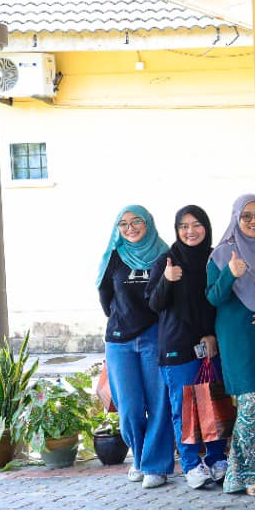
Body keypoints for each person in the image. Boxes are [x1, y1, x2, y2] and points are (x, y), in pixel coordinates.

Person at [206, 194, 255, 497]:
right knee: (254, 403)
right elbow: (213, 297)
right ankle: (247, 475)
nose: (254, 221)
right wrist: (230, 274)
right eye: (246, 216)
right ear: (235, 219)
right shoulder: (222, 254)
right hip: (239, 339)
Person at [148, 205, 226, 490]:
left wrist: (213, 335)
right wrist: (167, 281)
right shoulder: (166, 261)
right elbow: (154, 304)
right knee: (186, 408)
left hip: (210, 345)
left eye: (196, 224)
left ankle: (218, 459)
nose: (190, 231)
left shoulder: (214, 258)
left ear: (206, 226)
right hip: (177, 348)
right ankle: (192, 463)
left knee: (213, 402)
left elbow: (221, 300)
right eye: (184, 226)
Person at [97, 205, 173, 489]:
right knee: (128, 408)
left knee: (158, 403)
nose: (130, 228)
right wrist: (123, 318)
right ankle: (139, 458)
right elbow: (105, 296)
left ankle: (155, 465)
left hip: (155, 337)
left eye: (136, 221)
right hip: (120, 342)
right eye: (123, 224)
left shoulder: (164, 255)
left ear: (148, 223)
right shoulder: (114, 257)